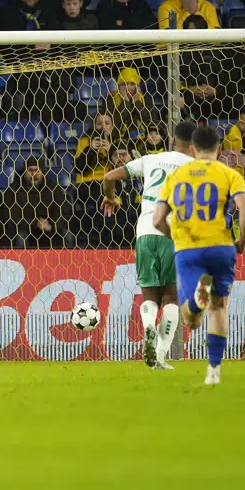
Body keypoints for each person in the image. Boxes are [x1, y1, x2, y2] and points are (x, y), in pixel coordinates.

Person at [152, 124, 245, 387]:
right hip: (221, 246)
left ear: (193, 149)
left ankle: (198, 299)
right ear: (219, 149)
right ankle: (214, 370)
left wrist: (174, 237)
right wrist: (241, 242)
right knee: (218, 307)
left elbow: (157, 220)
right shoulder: (228, 173)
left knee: (191, 319)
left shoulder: (177, 176)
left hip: (189, 248)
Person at [100, 120, 196, 369]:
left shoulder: (151, 159)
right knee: (172, 297)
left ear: (173, 140)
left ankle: (149, 328)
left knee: (150, 295)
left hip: (144, 232)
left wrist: (110, 198)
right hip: (172, 234)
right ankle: (161, 354)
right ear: (194, 145)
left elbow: (109, 176)